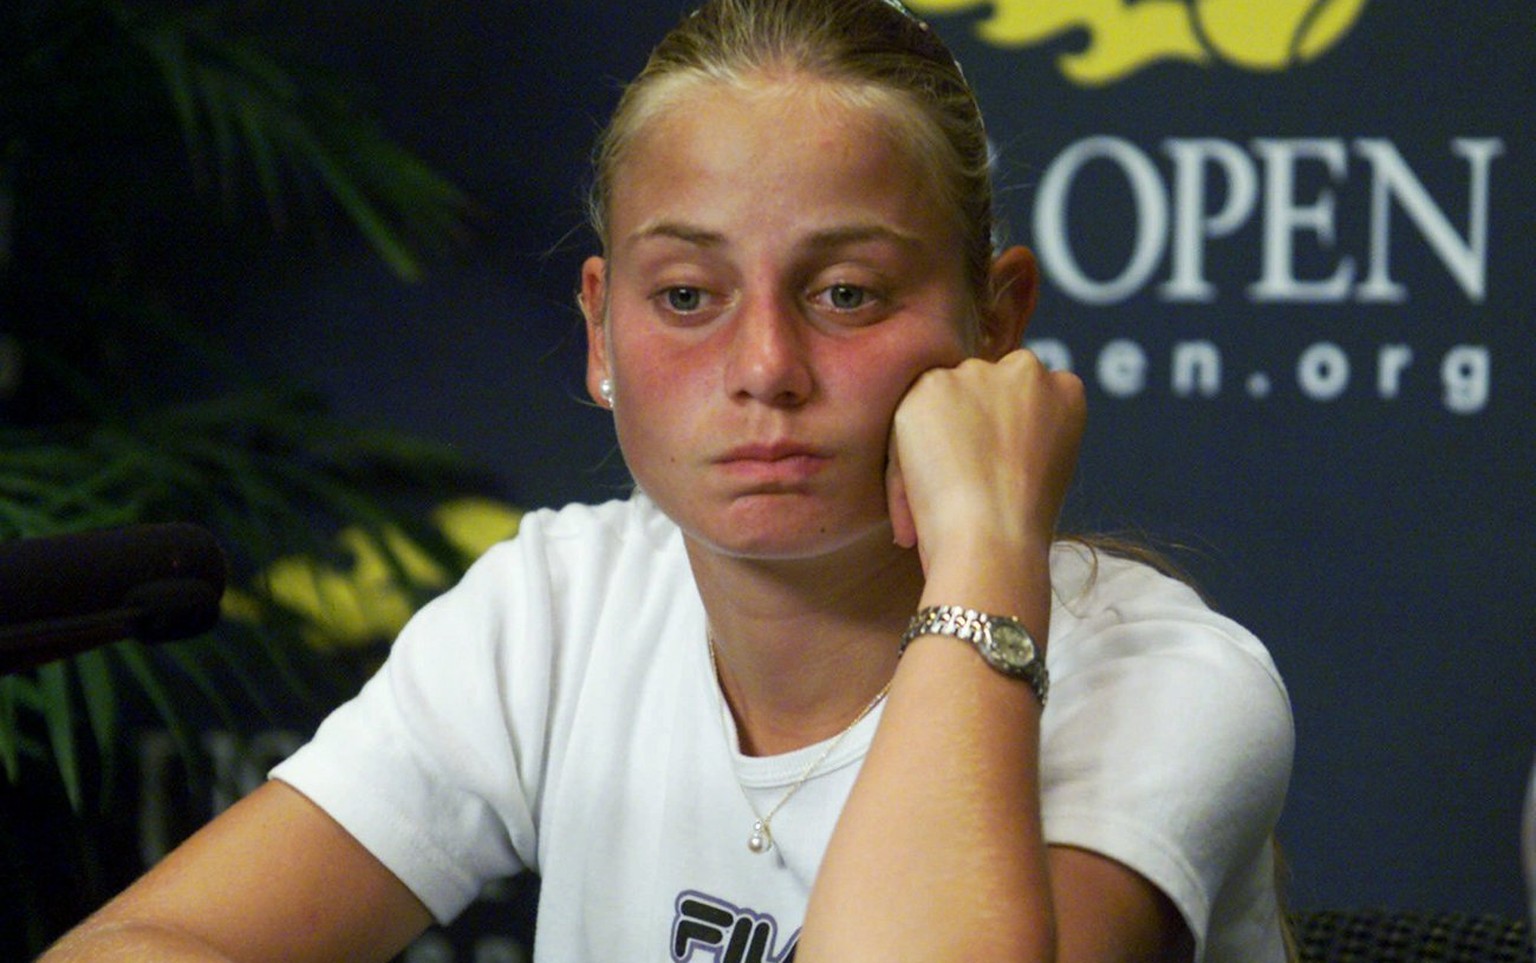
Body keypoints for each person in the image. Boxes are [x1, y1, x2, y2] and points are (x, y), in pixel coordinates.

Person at [38, 0, 1293, 960]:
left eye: (846, 293)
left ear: (995, 321)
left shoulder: (1169, 685)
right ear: (599, 332)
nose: (764, 367)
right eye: (687, 297)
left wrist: (982, 562)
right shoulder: (561, 606)